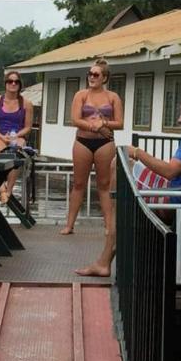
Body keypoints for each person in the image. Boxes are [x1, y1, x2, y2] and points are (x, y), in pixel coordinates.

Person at [123, 95, 181, 279]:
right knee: (126, 168)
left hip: (178, 201)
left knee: (118, 167)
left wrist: (137, 152)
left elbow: (169, 171)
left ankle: (113, 232)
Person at [61, 58, 123, 236]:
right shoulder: (81, 95)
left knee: (104, 184)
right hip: (83, 141)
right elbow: (75, 119)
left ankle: (109, 226)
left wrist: (104, 123)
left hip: (105, 143)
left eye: (96, 74)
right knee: (79, 183)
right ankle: (69, 225)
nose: (92, 77)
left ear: (104, 78)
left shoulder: (113, 97)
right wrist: (94, 127)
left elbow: (120, 123)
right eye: (90, 74)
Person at [0, 70, 33, 203]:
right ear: (5, 84)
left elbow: (28, 127)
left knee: (16, 152)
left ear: (20, 84)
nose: (13, 84)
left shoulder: (26, 104)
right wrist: (2, 137)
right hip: (0, 135)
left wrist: (16, 135)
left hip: (17, 136)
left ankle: (9, 190)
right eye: (10, 81)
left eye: (16, 82)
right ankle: (1, 189)